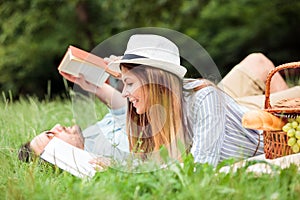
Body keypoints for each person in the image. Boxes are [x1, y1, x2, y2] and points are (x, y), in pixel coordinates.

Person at [106, 34, 300, 167]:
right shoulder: (151, 114)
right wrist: (114, 165)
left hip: (271, 142)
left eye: (129, 83)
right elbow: (145, 164)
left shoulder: (204, 98)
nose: (124, 94)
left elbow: (203, 166)